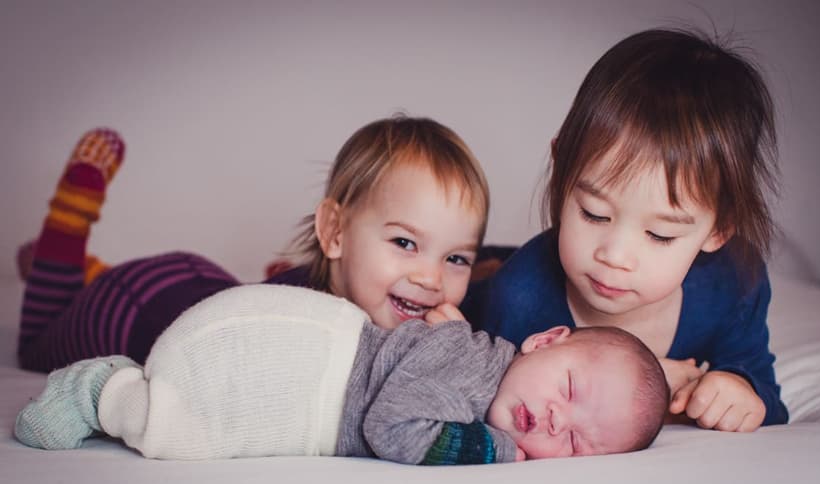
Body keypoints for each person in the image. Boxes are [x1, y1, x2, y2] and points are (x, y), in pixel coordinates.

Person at [462, 28, 788, 432]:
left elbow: (765, 394)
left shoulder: (733, 283)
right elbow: (474, 395)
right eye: (595, 214)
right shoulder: (520, 298)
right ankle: (482, 266)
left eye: (660, 235)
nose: (614, 256)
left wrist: (738, 388)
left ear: (718, 229)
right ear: (562, 172)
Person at [18, 114, 489, 373]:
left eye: (455, 258)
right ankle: (66, 229)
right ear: (336, 233)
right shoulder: (287, 320)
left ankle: (87, 269)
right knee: (35, 345)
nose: (431, 278)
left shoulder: (408, 309)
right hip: (128, 308)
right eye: (405, 242)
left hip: (204, 279)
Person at [14, 284, 669, 464]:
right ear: (545, 340)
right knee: (172, 427)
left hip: (311, 379)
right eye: (571, 390)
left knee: (189, 431)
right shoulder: (473, 363)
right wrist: (495, 449)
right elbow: (394, 424)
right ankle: (100, 388)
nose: (557, 420)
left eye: (578, 442)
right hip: (294, 364)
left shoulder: (486, 383)